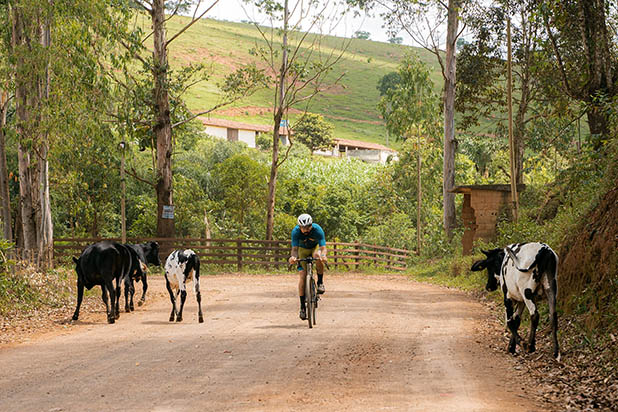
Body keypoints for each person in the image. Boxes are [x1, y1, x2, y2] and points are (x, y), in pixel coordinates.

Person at [288, 213, 327, 320]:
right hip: (302, 250)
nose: (305, 230)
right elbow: (295, 250)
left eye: (308, 227)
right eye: (303, 227)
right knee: (302, 275)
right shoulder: (295, 232)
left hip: (314, 248)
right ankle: (302, 308)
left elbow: (323, 247)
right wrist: (293, 258)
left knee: (317, 256)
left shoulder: (317, 229)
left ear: (311, 225)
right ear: (299, 227)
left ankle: (320, 282)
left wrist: (323, 255)